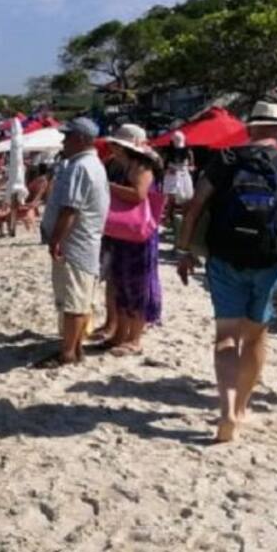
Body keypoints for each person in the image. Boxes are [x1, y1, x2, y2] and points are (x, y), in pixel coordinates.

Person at [177, 101, 277, 443]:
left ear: (251, 128)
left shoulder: (226, 160)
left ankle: (226, 411)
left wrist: (185, 251)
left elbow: (195, 207)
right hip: (269, 260)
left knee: (226, 335)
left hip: (224, 256)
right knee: (256, 336)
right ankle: (243, 407)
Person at [38, 118, 110, 368]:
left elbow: (70, 209)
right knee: (78, 299)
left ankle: (68, 352)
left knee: (73, 301)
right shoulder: (90, 164)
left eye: (68, 137)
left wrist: (56, 240)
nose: (63, 141)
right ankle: (75, 347)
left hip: (76, 244)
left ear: (80, 139)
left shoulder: (81, 167)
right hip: (83, 243)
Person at [96, 124, 163, 356]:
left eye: (115, 145)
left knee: (136, 285)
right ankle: (120, 334)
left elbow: (138, 195)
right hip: (127, 233)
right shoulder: (127, 166)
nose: (112, 148)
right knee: (122, 283)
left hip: (138, 234)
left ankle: (134, 338)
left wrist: (108, 187)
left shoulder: (141, 167)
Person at [162, 130, 196, 228]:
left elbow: (192, 166)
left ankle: (184, 220)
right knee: (171, 198)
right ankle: (168, 218)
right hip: (171, 176)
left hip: (183, 175)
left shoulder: (188, 152)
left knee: (185, 197)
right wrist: (168, 170)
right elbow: (163, 167)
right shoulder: (168, 152)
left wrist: (189, 168)